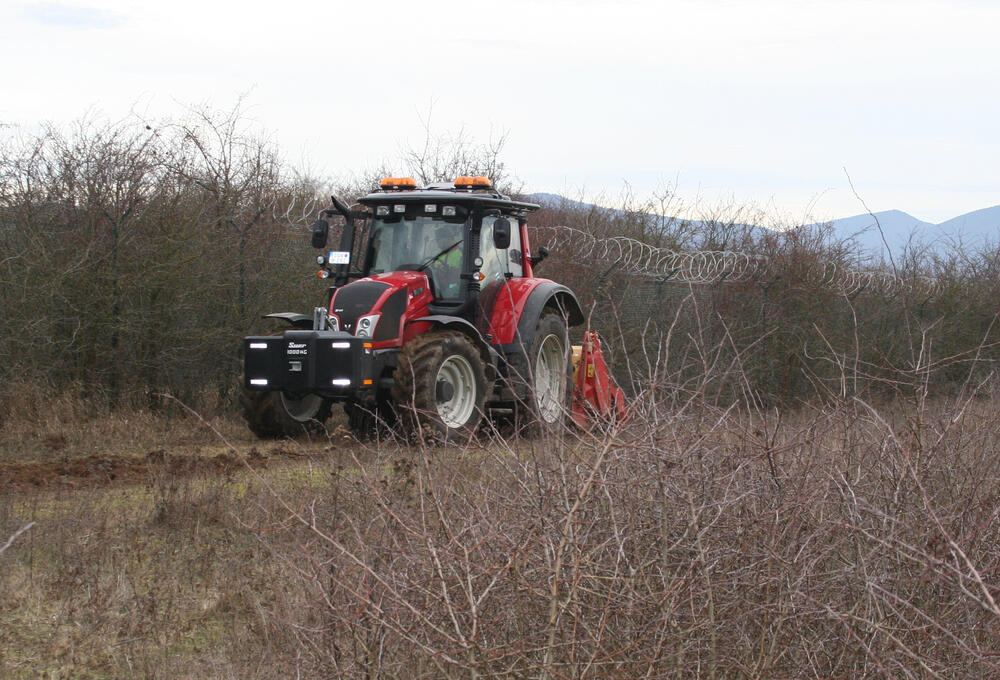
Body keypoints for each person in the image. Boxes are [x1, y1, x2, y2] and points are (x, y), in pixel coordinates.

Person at [429, 225, 463, 299]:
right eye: (437, 240)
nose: (437, 242)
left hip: (456, 292)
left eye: (439, 239)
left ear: (449, 239)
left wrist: (450, 270)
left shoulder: (462, 254)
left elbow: (462, 277)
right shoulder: (438, 256)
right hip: (438, 289)